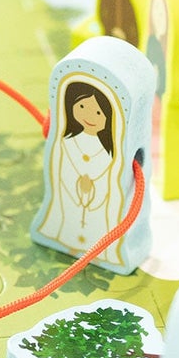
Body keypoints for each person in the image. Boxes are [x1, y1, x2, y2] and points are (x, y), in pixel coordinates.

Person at [37, 80, 124, 251]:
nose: (90, 117)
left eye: (98, 112)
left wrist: (92, 193)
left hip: (98, 218)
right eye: (82, 107)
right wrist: (77, 188)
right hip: (67, 208)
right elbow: (58, 175)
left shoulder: (109, 153)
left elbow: (112, 185)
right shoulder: (65, 142)